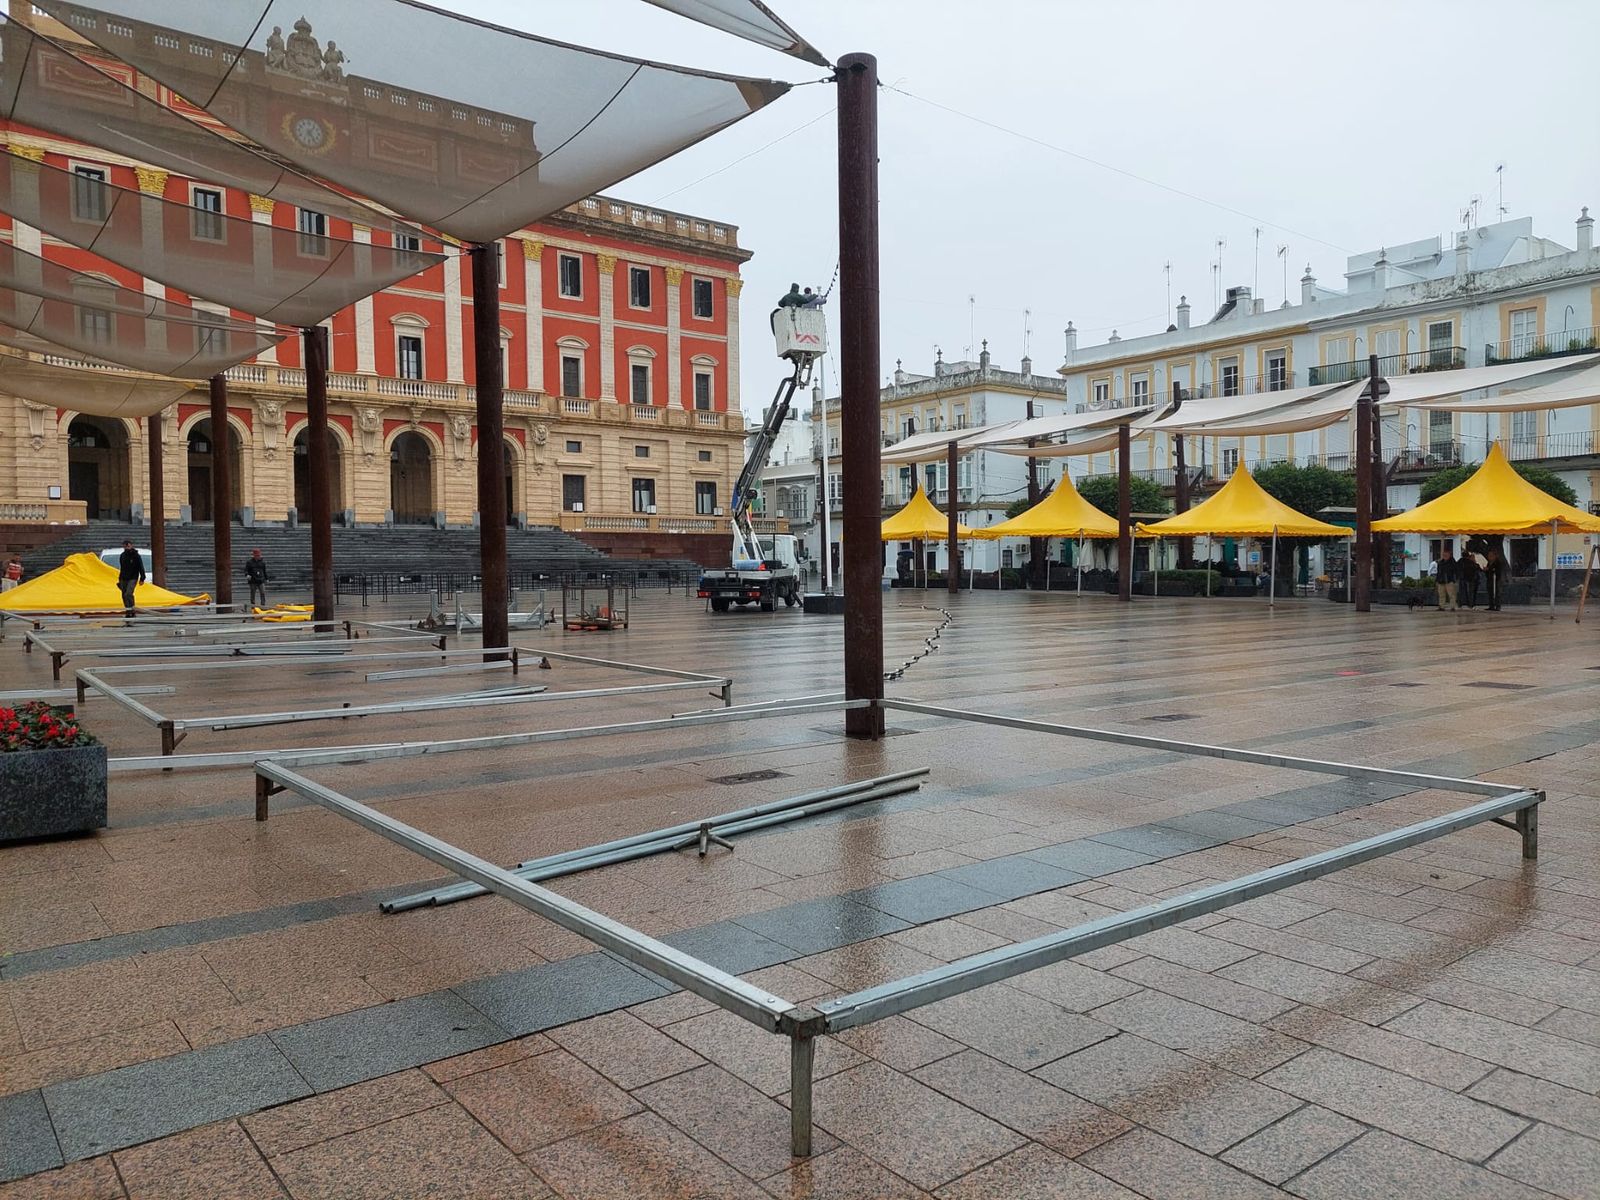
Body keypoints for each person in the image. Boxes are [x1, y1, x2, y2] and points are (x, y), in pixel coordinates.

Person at [116, 539, 144, 617]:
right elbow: (122, 568)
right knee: (124, 595)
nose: (127, 546)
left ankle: (132, 608)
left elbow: (140, 566)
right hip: (123, 578)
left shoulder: (136, 555)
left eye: (128, 545)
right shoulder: (122, 555)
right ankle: (128, 610)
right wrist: (120, 579)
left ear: (131, 545)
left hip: (133, 577)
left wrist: (142, 578)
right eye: (126, 545)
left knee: (128, 593)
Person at [1434, 547, 1460, 611]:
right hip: (1441, 580)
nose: (1445, 555)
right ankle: (1441, 606)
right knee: (1441, 594)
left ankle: (1452, 607)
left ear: (1449, 554)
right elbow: (1438, 572)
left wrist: (1456, 579)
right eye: (1444, 554)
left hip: (1449, 580)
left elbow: (1456, 571)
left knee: (1451, 594)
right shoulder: (1440, 563)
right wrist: (1437, 580)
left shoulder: (1452, 562)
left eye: (1446, 554)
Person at [1485, 546, 1508, 611]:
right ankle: (1491, 605)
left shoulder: (1498, 562)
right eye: (1488, 555)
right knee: (1490, 593)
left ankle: (1497, 606)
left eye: (1491, 555)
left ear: (1495, 556)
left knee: (1497, 593)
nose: (1489, 557)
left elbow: (1498, 571)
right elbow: (1489, 571)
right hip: (1490, 580)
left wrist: (1490, 569)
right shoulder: (1489, 563)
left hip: (1496, 580)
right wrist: (1487, 570)